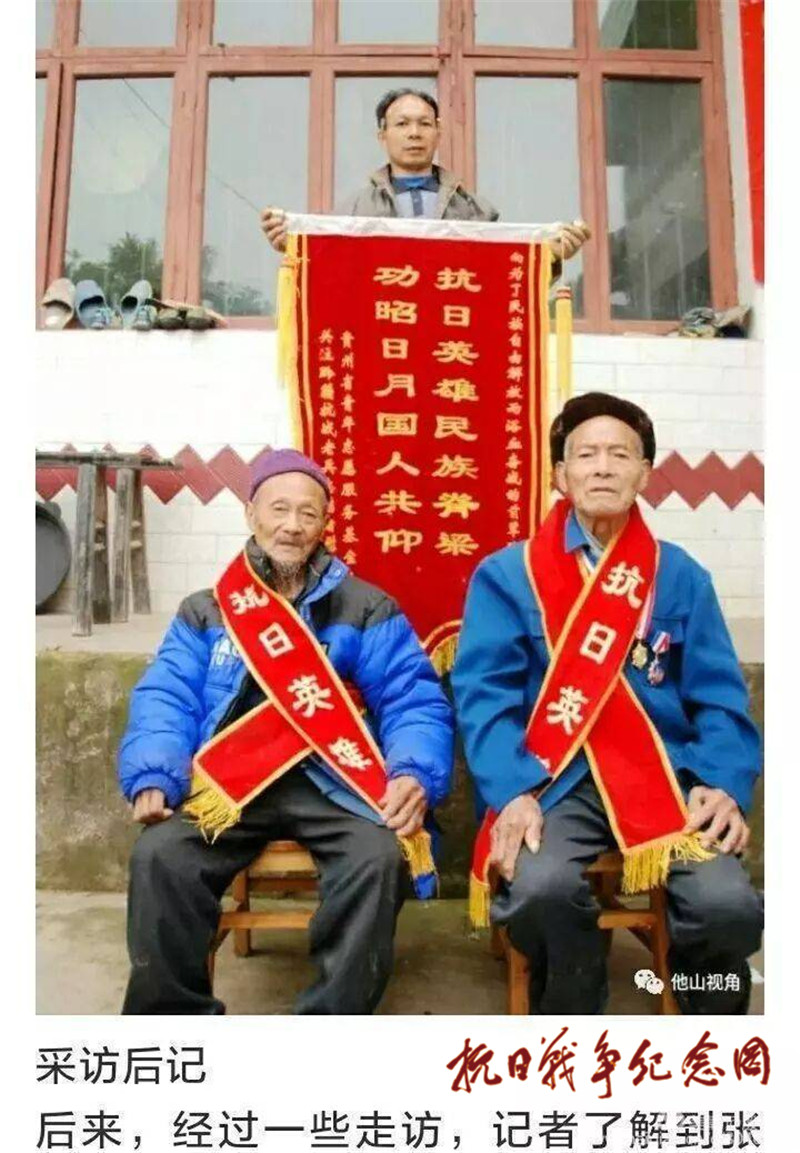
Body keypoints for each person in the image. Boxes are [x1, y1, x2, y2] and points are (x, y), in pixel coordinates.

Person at [452, 393, 763, 1014]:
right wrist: (512, 790)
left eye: (619, 455)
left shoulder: (680, 575)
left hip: (666, 778)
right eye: (585, 455)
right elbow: (485, 699)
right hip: (553, 782)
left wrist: (722, 782)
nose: (601, 467)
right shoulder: (509, 575)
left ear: (644, 473)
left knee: (728, 905)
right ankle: (575, 1019)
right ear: (559, 474)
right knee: (539, 892)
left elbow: (721, 699)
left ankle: (709, 1027)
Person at [118, 449, 454, 1014]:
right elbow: (167, 696)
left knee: (379, 858)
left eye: (307, 513)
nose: (292, 525)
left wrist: (413, 771)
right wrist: (154, 772)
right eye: (279, 509)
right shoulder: (208, 609)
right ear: (251, 514)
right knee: (160, 857)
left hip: (334, 780)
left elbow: (411, 700)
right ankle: (174, 1025)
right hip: (229, 783)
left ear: (325, 524)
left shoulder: (367, 607)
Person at [259, 87, 590, 265]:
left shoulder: (476, 211)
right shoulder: (352, 211)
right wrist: (294, 246)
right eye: (402, 124)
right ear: (382, 135)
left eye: (424, 124)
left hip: (451, 340)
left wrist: (549, 258)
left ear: (438, 133)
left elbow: (504, 277)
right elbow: (330, 273)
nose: (414, 133)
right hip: (382, 341)